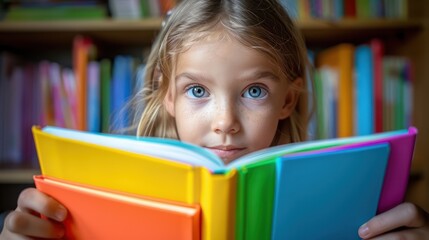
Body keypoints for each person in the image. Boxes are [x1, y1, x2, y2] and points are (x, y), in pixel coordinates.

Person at [1, 0, 428, 239]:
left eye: (254, 91)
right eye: (198, 91)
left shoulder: (349, 196)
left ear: (287, 100)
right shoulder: (99, 193)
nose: (225, 121)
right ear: (168, 96)